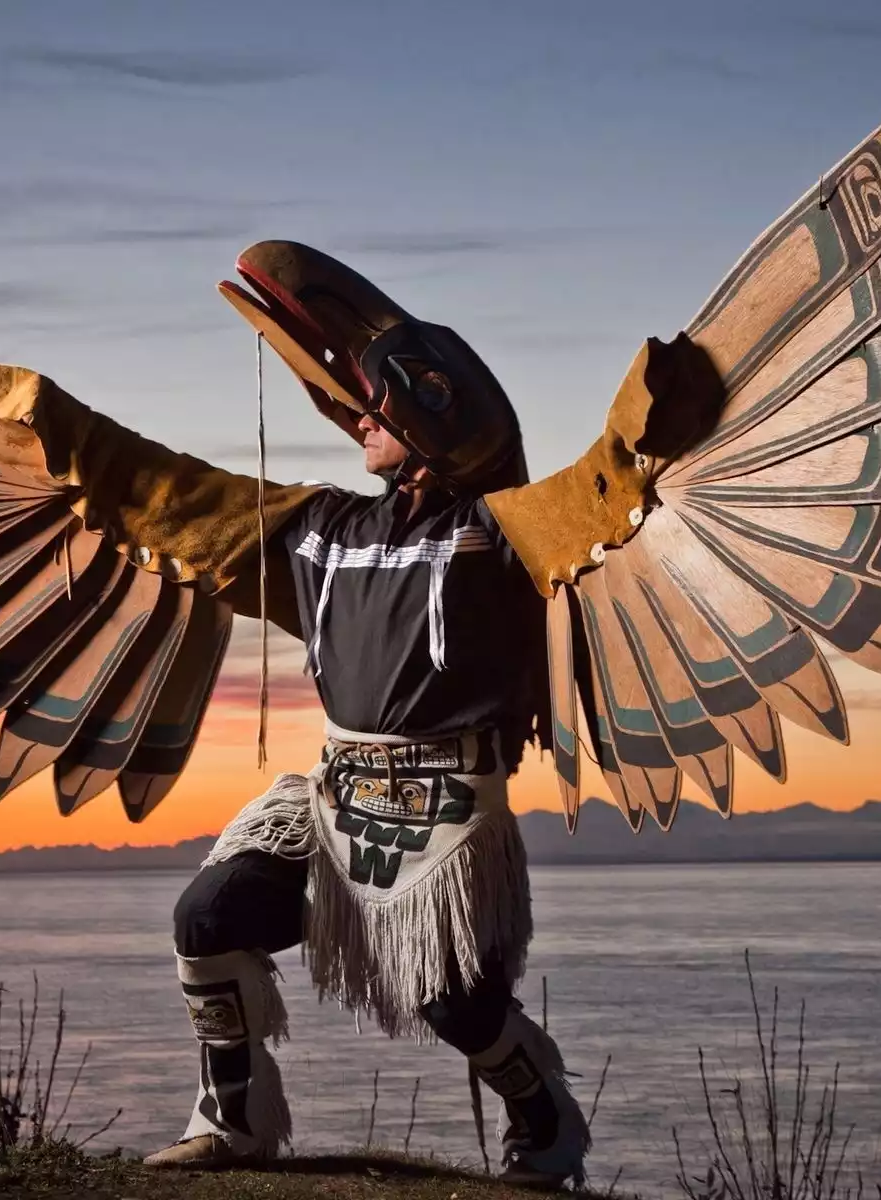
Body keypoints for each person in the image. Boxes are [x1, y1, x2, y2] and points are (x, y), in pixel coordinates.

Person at [141, 252, 589, 1187]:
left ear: (437, 419)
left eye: (377, 409)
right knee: (208, 916)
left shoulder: (506, 534)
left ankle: (541, 1111)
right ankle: (233, 1121)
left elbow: (612, 511)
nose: (357, 422)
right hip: (331, 799)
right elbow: (157, 499)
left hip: (450, 814)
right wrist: (38, 425)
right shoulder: (327, 527)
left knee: (455, 1003)